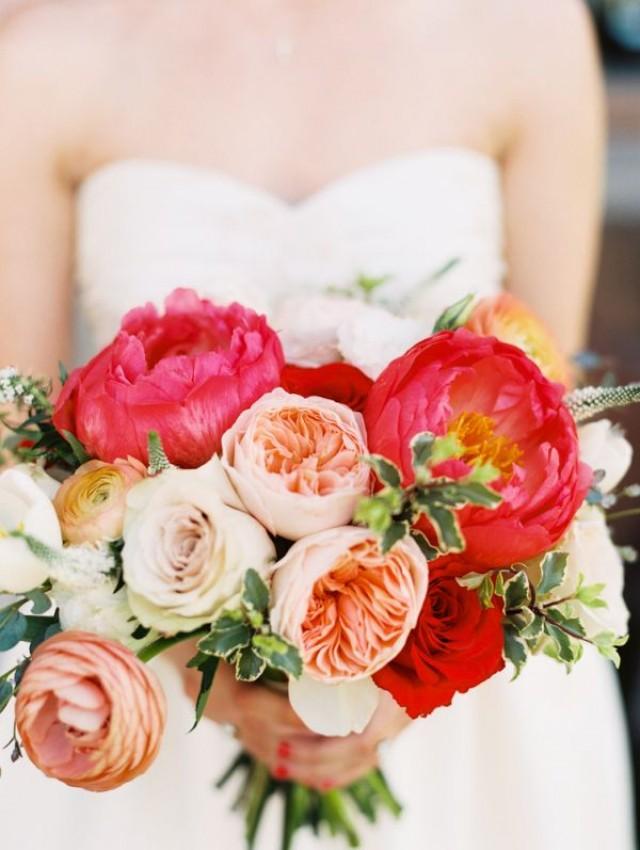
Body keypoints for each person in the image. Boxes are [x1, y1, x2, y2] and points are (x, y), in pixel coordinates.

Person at [0, 1, 634, 848]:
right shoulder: (44, 46)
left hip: (463, 706)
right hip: (160, 700)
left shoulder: (531, 28)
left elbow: (541, 412)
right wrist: (205, 669)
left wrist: (407, 678)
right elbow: (24, 451)